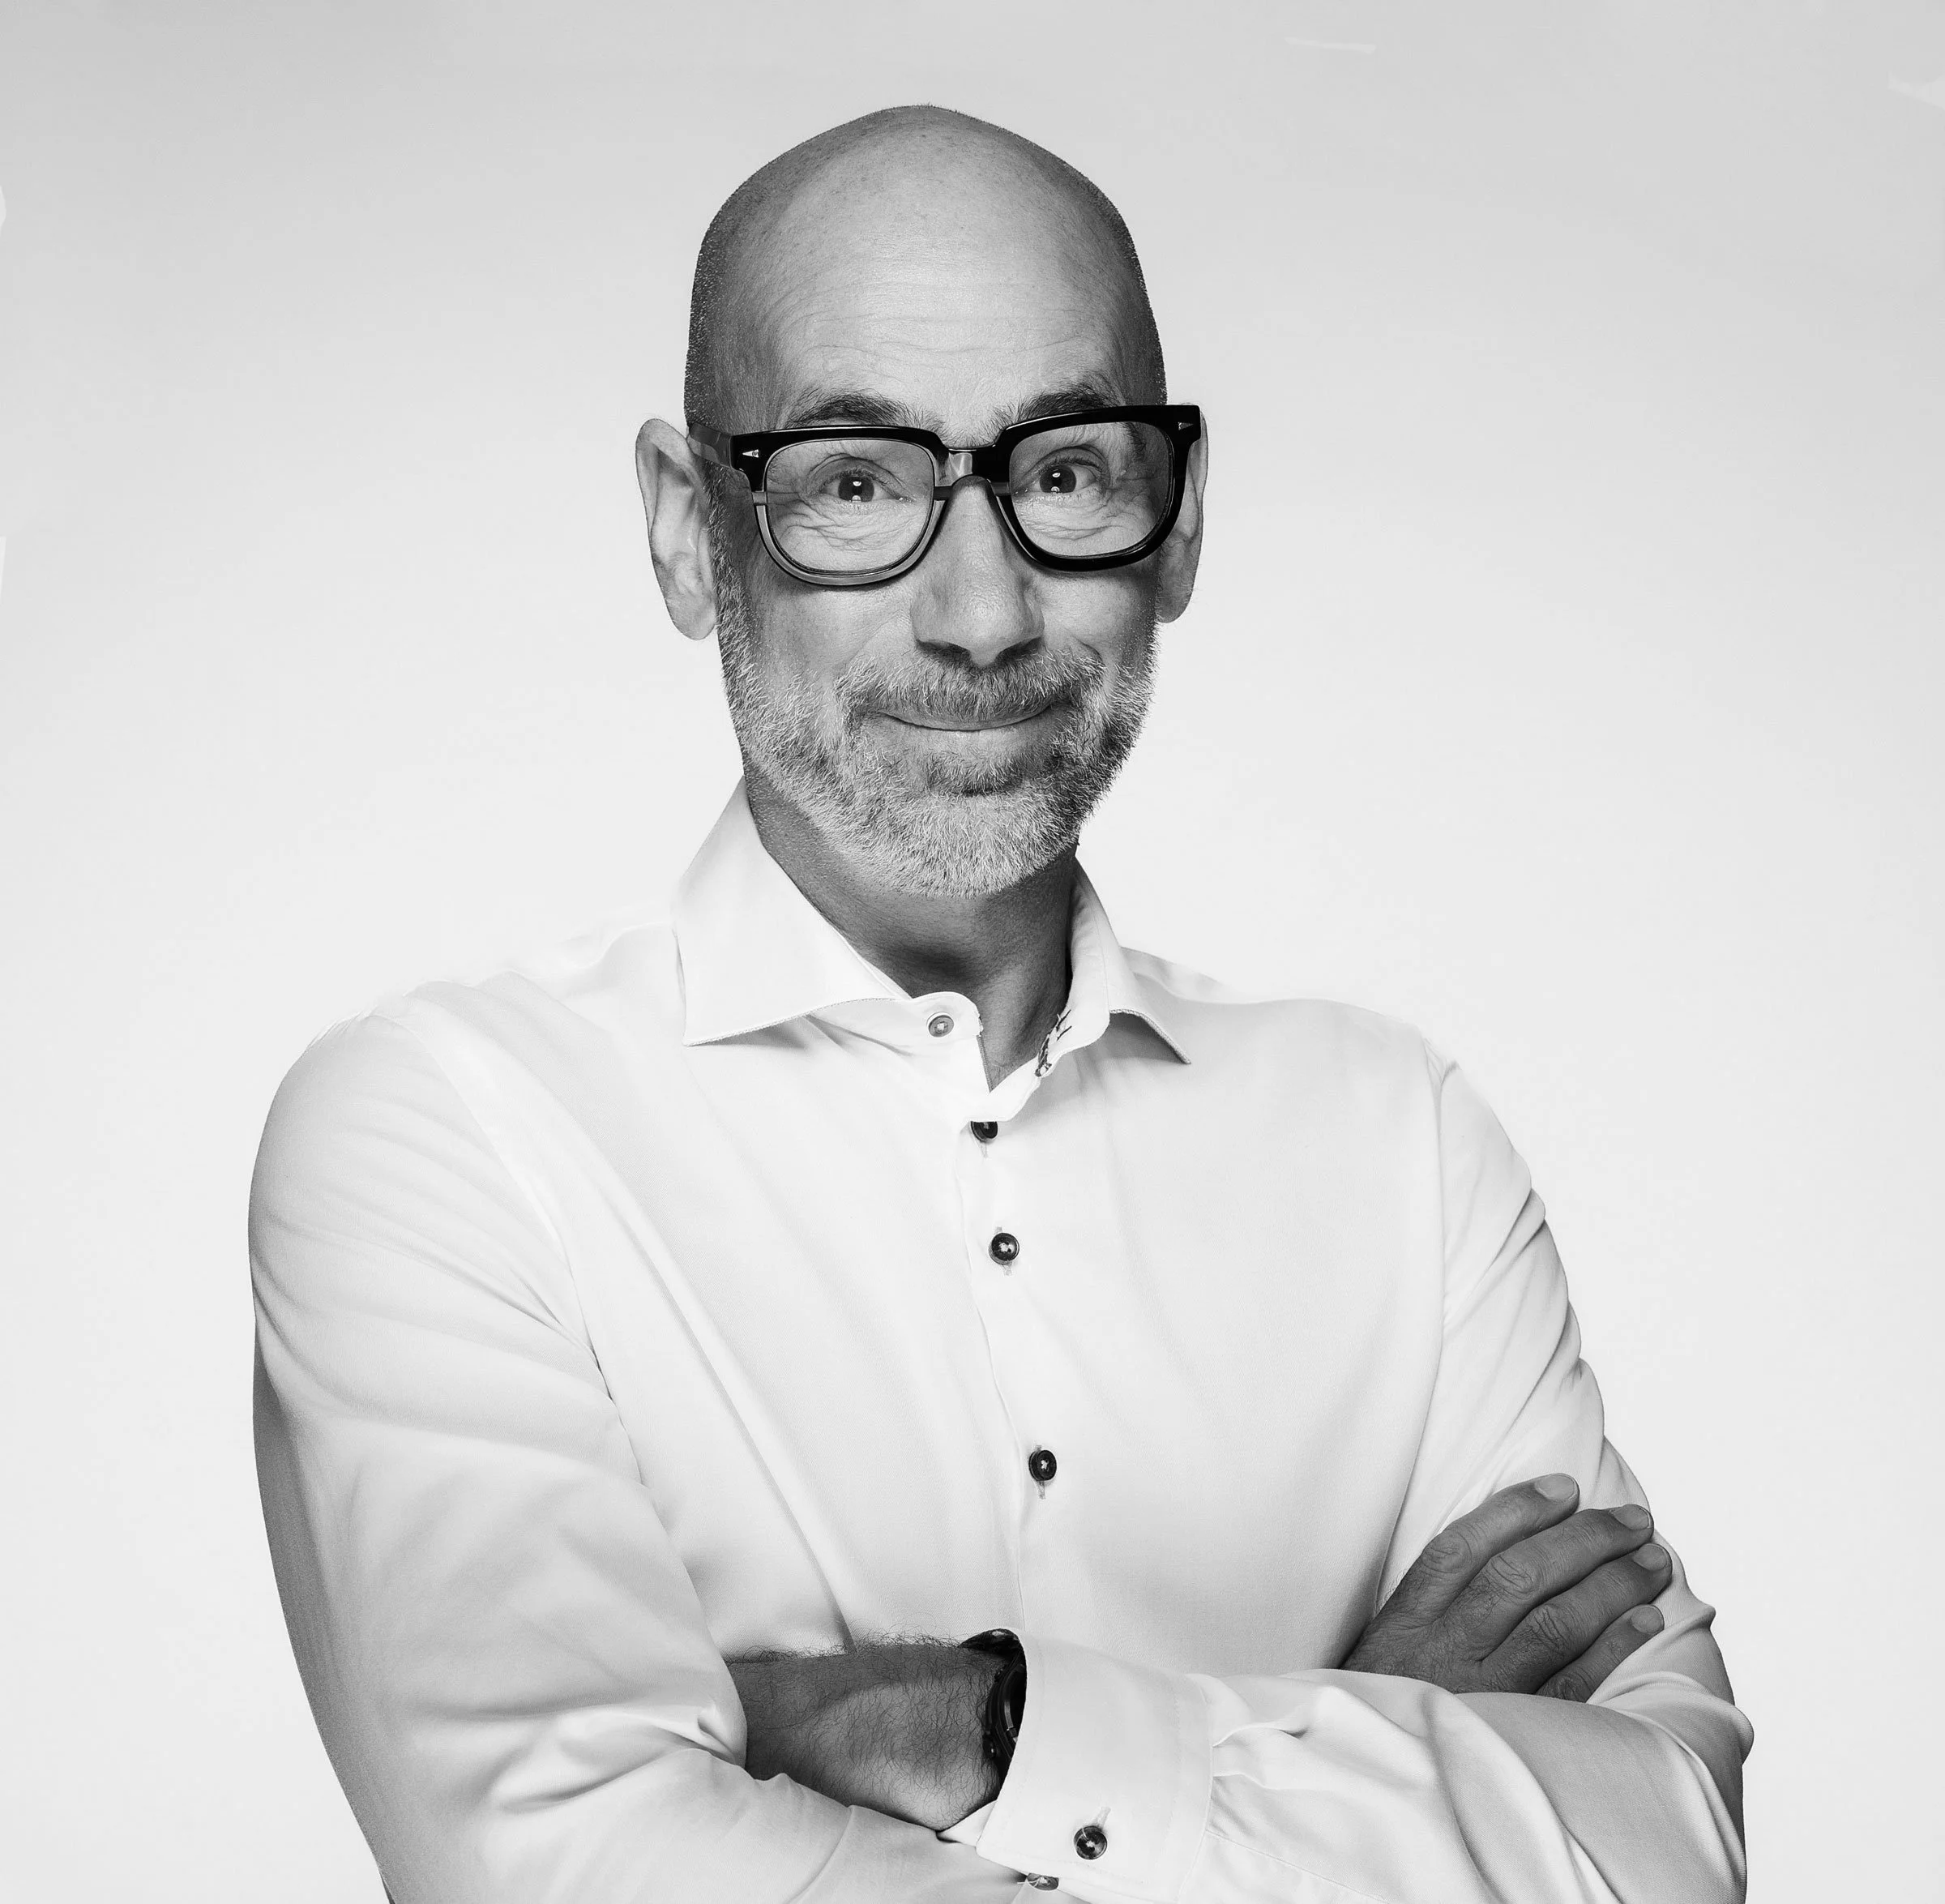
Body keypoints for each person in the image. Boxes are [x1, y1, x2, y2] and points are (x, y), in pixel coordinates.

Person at [250, 106, 1750, 1903]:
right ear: (686, 532)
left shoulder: (1399, 1143)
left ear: (1176, 523)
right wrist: (1353, 1743)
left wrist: (976, 1730)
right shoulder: (444, 1135)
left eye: (1066, 470)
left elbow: (1665, 1856)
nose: (979, 612)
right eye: (857, 482)